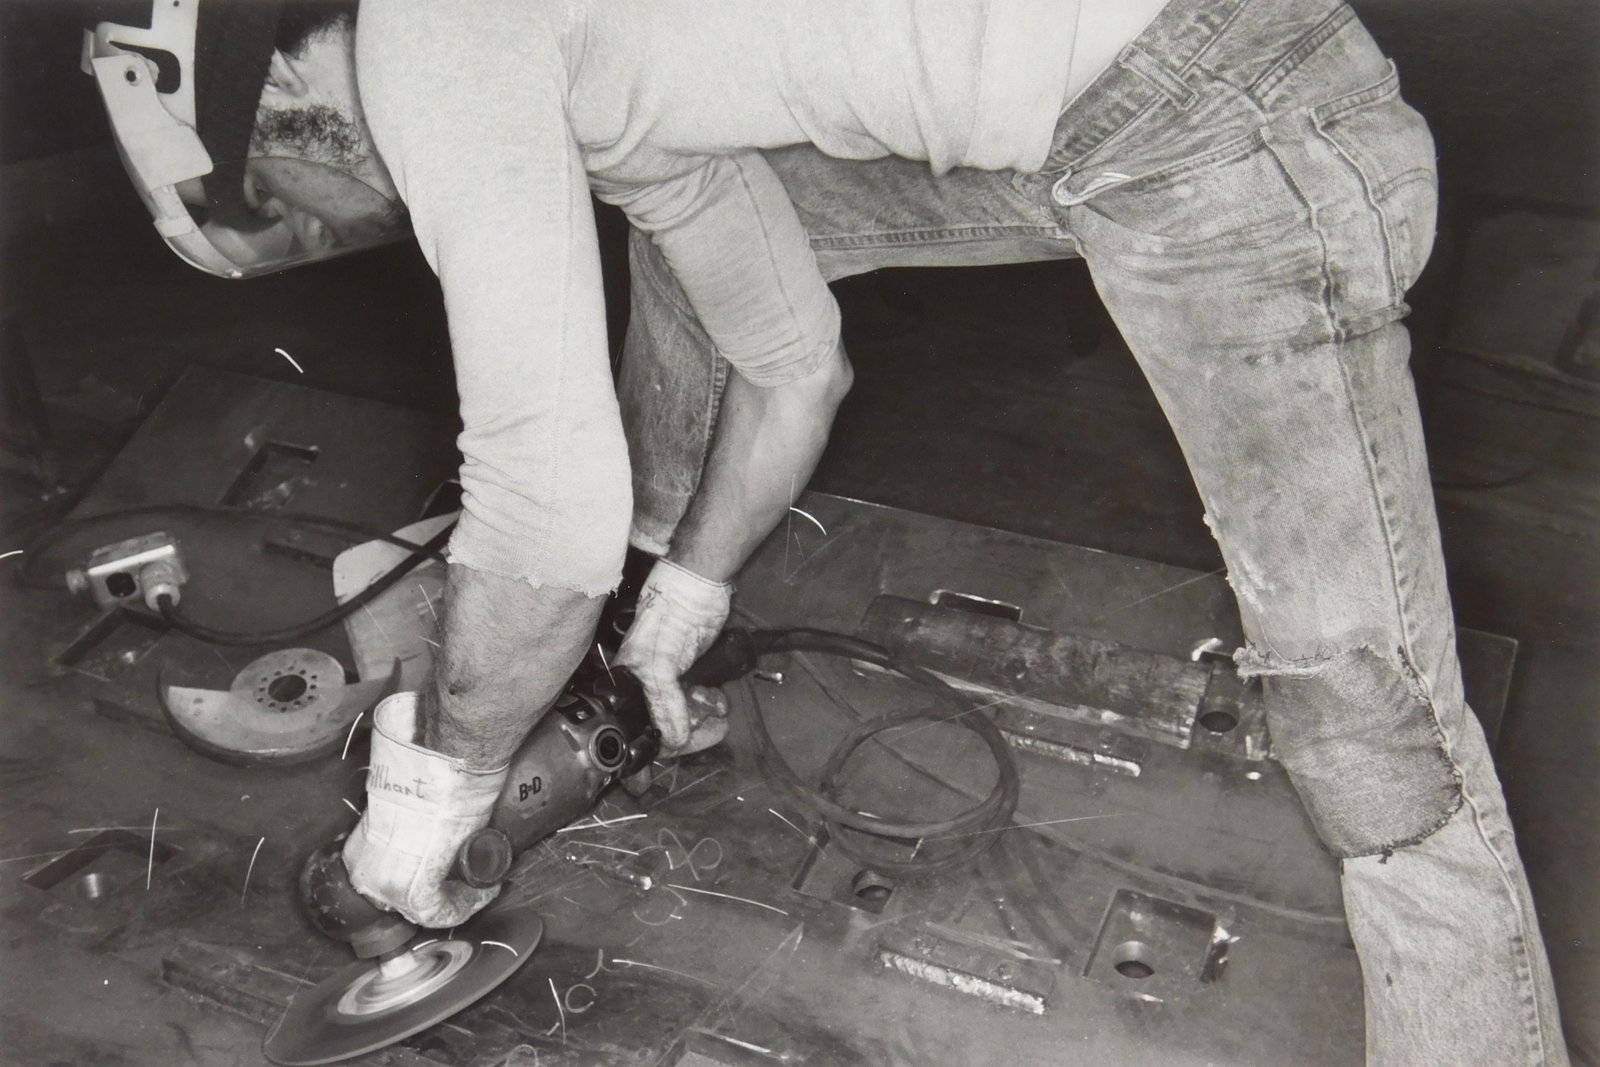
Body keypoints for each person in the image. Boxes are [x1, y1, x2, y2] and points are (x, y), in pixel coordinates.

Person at [85, 1, 1568, 1062]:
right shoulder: (620, 79)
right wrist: (683, 600)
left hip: (1234, 122)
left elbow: (542, 500)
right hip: (1135, 107)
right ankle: (626, 657)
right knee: (687, 268)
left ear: (276, 103)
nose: (352, 220)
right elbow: (796, 366)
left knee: (1374, 739)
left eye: (291, 200)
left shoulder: (428, 37)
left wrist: (429, 797)